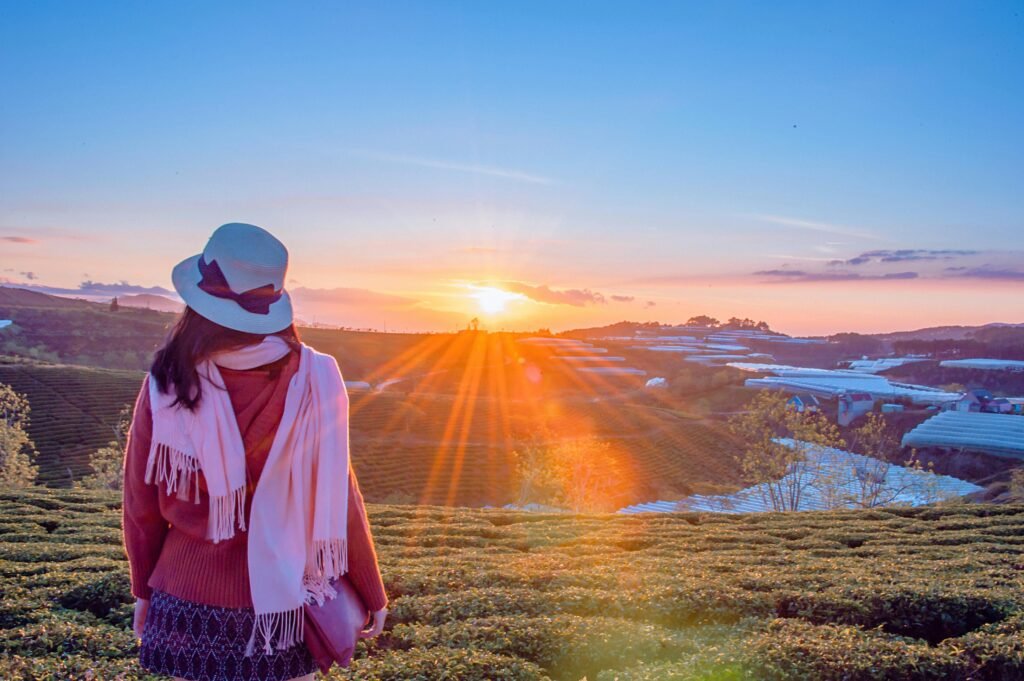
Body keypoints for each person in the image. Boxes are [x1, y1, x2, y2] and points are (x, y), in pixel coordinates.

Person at [122, 223, 389, 681]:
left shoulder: (166, 382)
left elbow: (140, 506)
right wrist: (371, 591)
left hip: (184, 600)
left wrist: (144, 591)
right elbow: (341, 498)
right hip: (283, 608)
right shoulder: (317, 378)